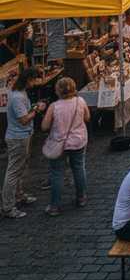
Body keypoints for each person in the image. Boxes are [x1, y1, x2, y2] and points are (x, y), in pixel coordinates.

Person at [40, 76, 90, 216]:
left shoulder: (54, 107)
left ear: (58, 90)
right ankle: (81, 197)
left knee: (56, 174)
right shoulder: (80, 101)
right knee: (79, 168)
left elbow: (44, 126)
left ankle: (55, 206)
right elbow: (87, 118)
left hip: (59, 143)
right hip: (78, 141)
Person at [2, 68, 46, 218]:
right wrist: (37, 110)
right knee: (14, 171)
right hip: (18, 138)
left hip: (22, 135)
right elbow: (23, 119)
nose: (35, 83)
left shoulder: (20, 94)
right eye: (34, 80)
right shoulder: (17, 97)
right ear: (28, 79)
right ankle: (8, 207)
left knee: (20, 168)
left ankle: (18, 195)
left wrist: (33, 108)